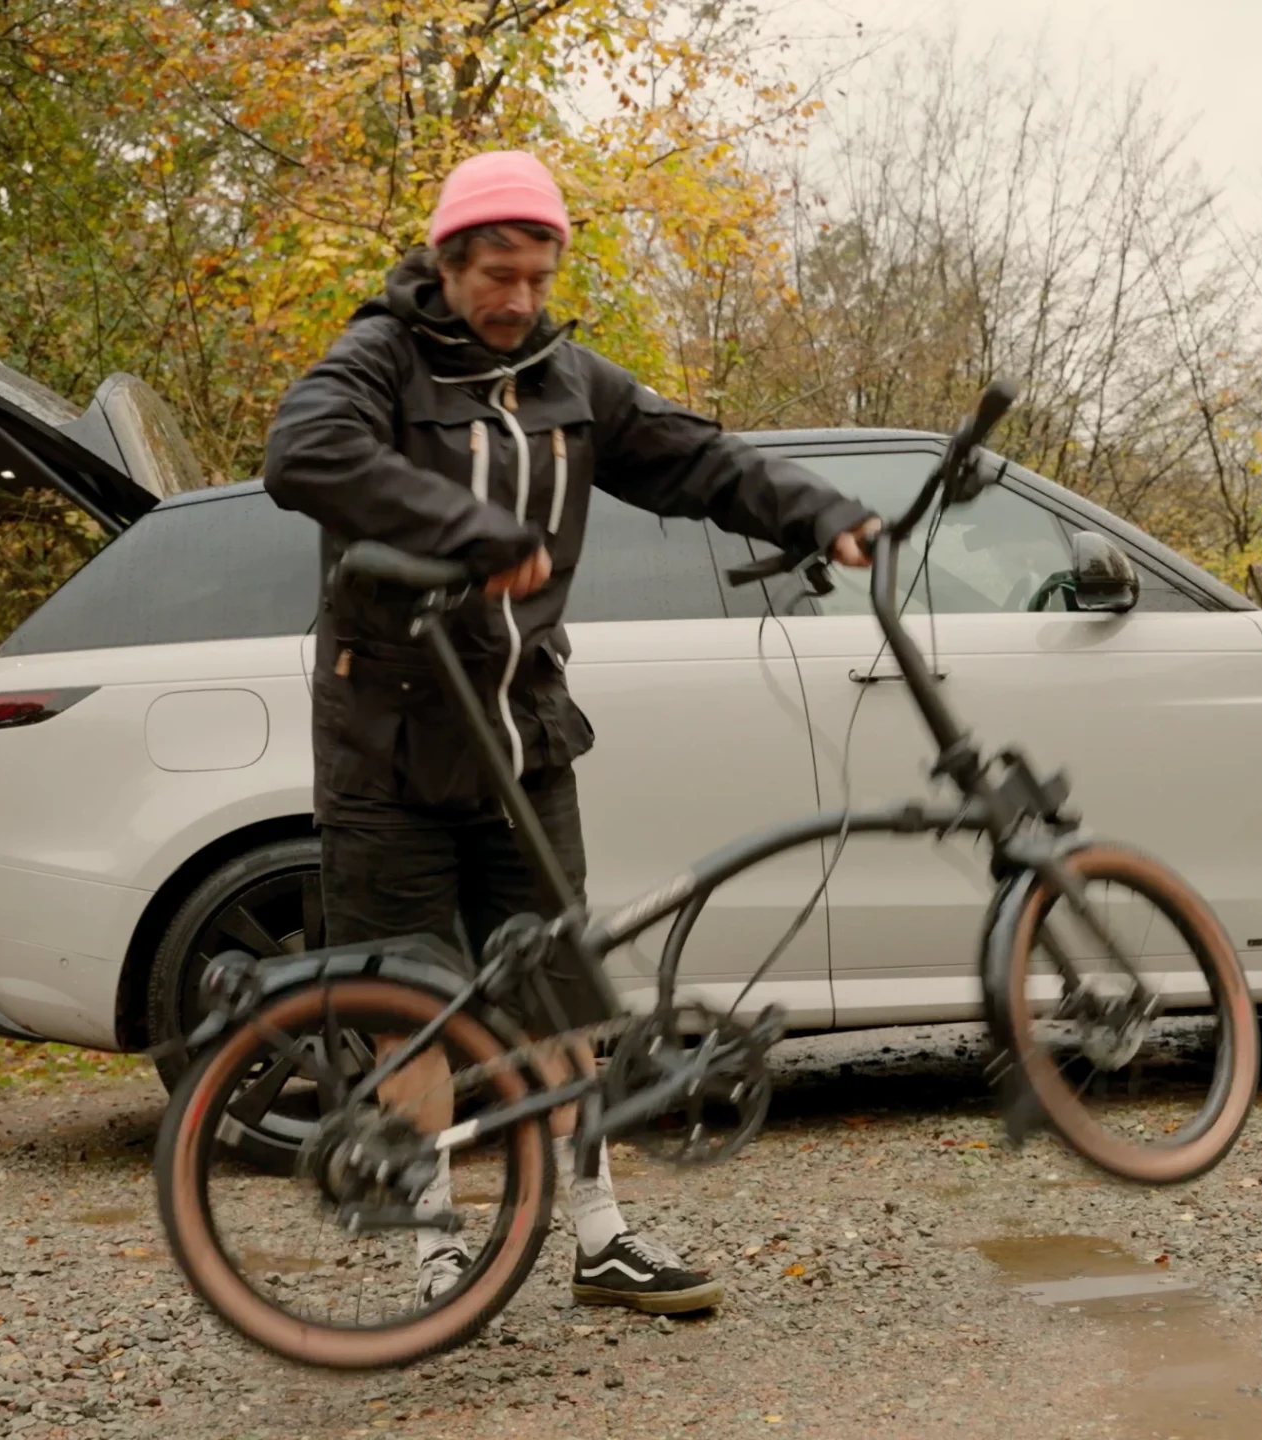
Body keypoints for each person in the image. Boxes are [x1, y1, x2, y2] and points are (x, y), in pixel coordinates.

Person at [261, 151, 881, 1314]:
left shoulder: (569, 380)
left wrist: (826, 513)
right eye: (497, 275)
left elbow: (701, 462)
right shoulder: (378, 362)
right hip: (386, 747)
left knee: (560, 997)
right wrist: (475, 529)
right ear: (447, 264)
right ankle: (436, 1241)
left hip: (524, 739)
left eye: (536, 278)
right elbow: (303, 456)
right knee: (415, 1006)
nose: (517, 301)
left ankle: (599, 1235)